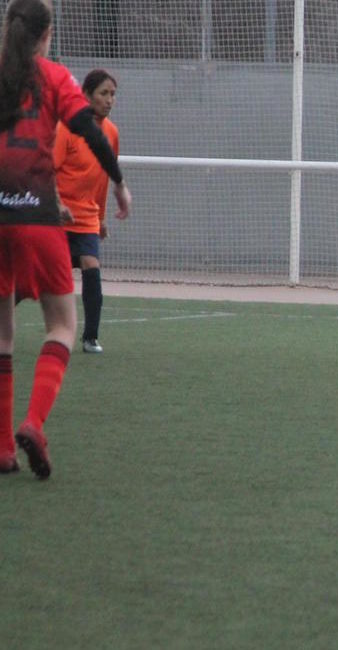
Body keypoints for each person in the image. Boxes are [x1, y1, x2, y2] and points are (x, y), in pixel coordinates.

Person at [0, 0, 131, 478]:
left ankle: (2, 449)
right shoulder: (54, 77)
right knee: (60, 324)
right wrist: (118, 182)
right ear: (47, 35)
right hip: (36, 215)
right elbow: (89, 132)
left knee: (2, 335)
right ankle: (33, 424)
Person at [55, 68, 125, 353]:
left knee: (91, 267)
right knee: (31, 279)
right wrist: (56, 204)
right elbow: (49, 170)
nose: (109, 100)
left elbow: (104, 177)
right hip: (56, 216)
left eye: (113, 95)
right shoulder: (66, 128)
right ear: (86, 95)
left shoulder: (111, 133)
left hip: (85, 217)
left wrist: (101, 217)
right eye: (103, 94)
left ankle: (90, 337)